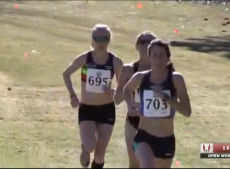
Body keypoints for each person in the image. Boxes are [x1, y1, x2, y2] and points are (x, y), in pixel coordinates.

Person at [123, 39, 192, 168]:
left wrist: (167, 99)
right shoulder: (140, 77)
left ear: (168, 58)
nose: (158, 59)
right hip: (143, 137)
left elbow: (187, 111)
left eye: (162, 55)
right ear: (149, 57)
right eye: (154, 55)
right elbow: (126, 89)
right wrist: (130, 105)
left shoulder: (176, 79)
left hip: (166, 140)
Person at [63, 24, 123, 168]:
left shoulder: (115, 62)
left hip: (107, 110)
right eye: (97, 38)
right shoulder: (85, 58)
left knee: (100, 155)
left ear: (109, 40)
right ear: (92, 40)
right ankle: (85, 148)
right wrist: (72, 95)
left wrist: (114, 91)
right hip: (87, 109)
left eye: (105, 39)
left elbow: (122, 88)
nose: (101, 42)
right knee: (90, 146)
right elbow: (66, 74)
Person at [114, 31, 157, 168]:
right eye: (143, 42)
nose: (146, 45)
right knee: (135, 163)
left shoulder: (164, 71)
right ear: (137, 46)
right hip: (134, 122)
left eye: (150, 42)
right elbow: (117, 99)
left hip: (157, 123)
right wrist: (130, 102)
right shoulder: (128, 70)